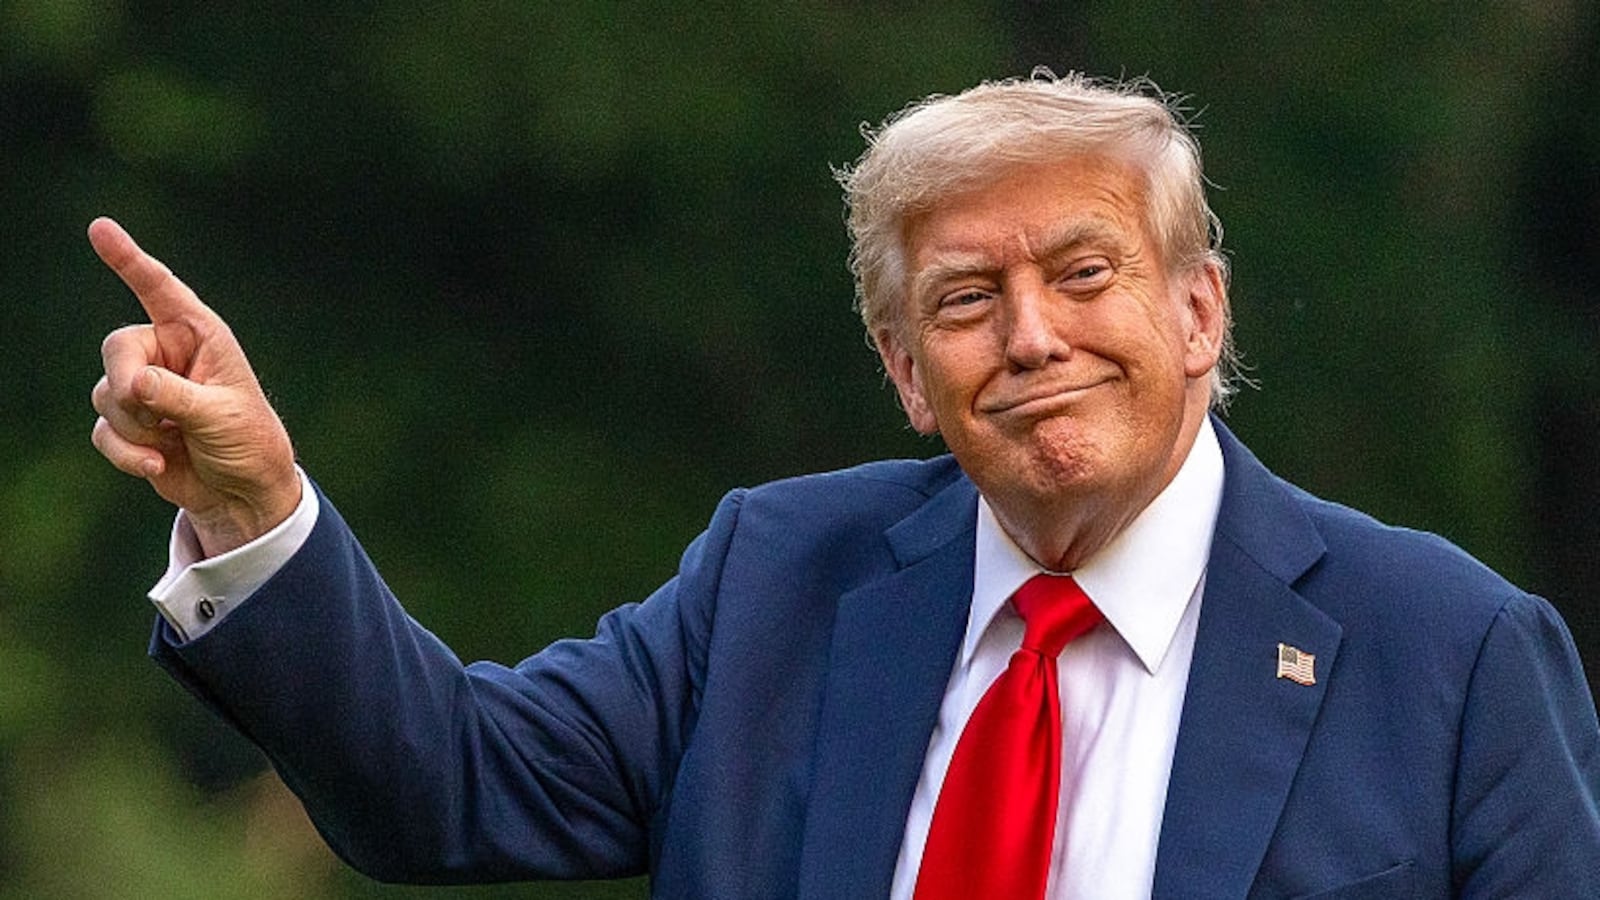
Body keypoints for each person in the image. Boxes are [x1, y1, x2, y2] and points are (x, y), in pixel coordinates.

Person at [90, 72, 1600, 899]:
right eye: (964, 301)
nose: (1031, 338)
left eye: (1085, 274)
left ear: (1200, 313)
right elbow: (449, 790)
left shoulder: (1450, 652)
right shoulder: (780, 575)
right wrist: (257, 505)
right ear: (902, 370)